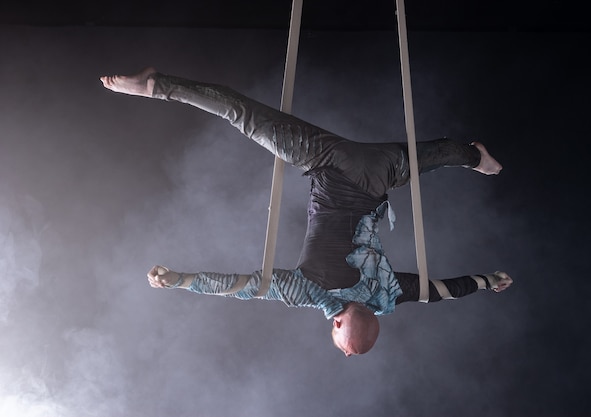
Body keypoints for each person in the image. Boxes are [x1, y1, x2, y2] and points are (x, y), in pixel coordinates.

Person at [100, 67, 513, 357]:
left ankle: (475, 158)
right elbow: (240, 286)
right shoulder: (313, 293)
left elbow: (446, 290)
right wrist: (181, 280)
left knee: (438, 155)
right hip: (329, 162)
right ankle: (156, 86)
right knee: (241, 115)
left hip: (382, 171)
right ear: (336, 324)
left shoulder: (391, 296)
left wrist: (489, 279)